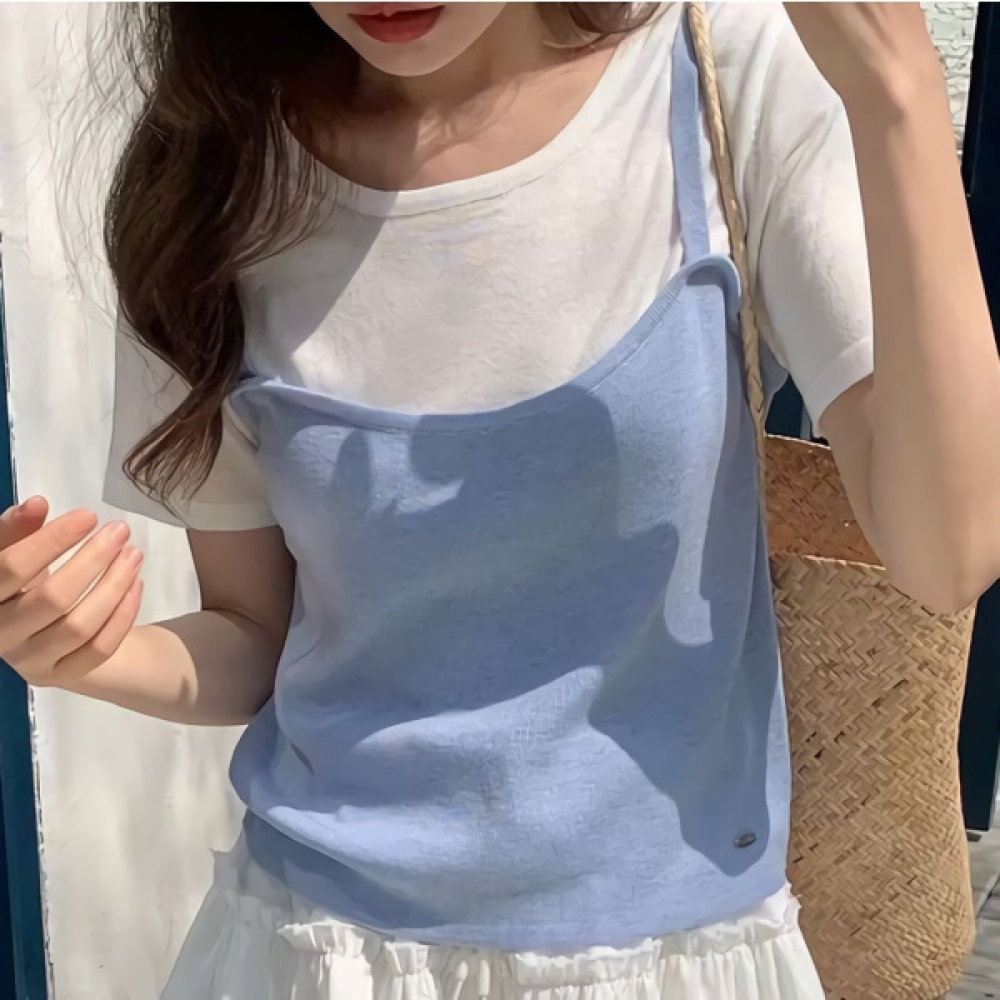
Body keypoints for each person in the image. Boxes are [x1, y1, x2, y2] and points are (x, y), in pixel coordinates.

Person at [1, 2, 998, 997]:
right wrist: (89, 654)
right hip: (317, 954)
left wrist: (898, 96)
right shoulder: (210, 179)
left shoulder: (717, 77)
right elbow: (256, 636)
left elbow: (950, 550)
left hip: (673, 957)